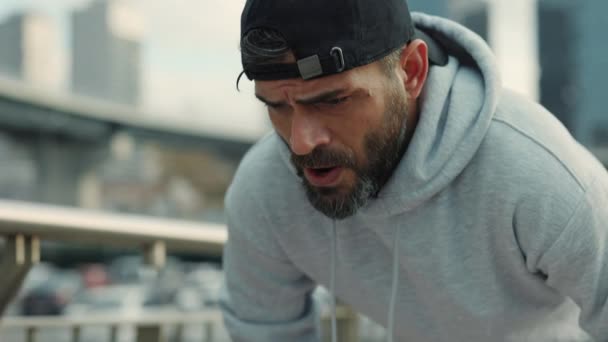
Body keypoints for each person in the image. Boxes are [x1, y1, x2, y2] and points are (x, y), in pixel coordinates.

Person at [219, 0, 608, 341]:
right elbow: (263, 330)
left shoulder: (538, 172)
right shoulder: (265, 189)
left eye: (334, 101)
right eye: (278, 107)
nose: (301, 142)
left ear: (411, 71)